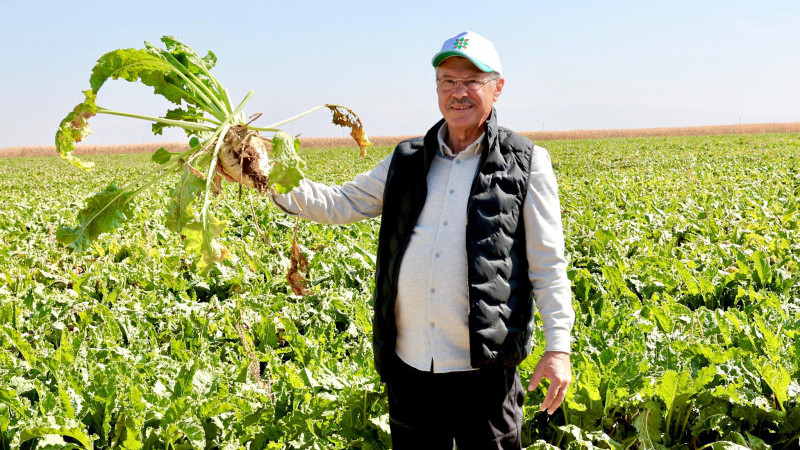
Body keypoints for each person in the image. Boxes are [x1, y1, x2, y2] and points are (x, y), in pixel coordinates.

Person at [271, 30, 574, 450]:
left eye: (472, 81)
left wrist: (558, 348)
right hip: (411, 366)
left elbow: (547, 264)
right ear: (436, 87)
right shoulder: (407, 159)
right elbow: (339, 203)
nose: (458, 92)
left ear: (498, 87)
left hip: (485, 372)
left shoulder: (526, 162)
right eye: (448, 80)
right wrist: (263, 173)